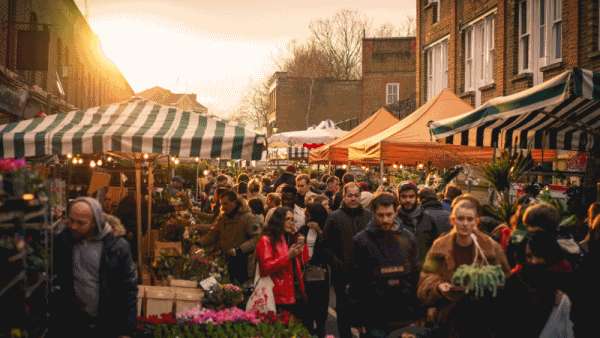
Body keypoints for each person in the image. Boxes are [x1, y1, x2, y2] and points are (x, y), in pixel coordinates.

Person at [417, 199, 510, 336]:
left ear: (476, 222)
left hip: (483, 319)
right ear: (453, 220)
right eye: (460, 219)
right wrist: (438, 285)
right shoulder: (440, 246)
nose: (465, 224)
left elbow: (506, 278)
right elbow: (426, 276)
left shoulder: (491, 247)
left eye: (469, 219)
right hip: (450, 317)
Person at [50, 197, 137, 338]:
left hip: (107, 327)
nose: (73, 226)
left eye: (80, 223)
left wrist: (126, 330)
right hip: (72, 326)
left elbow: (129, 289)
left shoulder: (117, 247)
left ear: (95, 222)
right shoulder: (64, 241)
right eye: (71, 220)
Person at [348, 193, 420, 337]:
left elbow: (416, 276)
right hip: (374, 317)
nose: (385, 219)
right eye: (381, 215)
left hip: (404, 315)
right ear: (373, 213)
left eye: (389, 214)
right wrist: (358, 317)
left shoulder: (408, 238)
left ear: (396, 212)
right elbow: (356, 282)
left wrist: (420, 312)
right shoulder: (361, 241)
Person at [322, 182, 374, 338]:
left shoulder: (369, 217)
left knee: (366, 311)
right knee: (343, 312)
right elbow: (325, 245)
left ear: (360, 197)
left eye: (356, 196)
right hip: (343, 275)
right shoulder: (334, 218)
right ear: (343, 197)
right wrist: (338, 264)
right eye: (349, 196)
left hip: (366, 276)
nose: (353, 199)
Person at [500, 230, 575, 338]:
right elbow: (506, 318)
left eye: (539, 255)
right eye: (529, 256)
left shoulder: (563, 278)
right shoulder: (516, 280)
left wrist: (564, 301)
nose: (534, 261)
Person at [255, 207, 310, 329]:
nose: (291, 223)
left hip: (296, 292)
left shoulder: (290, 237)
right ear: (278, 221)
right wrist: (287, 257)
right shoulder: (266, 240)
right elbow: (265, 268)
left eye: (293, 219)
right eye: (287, 219)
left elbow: (305, 259)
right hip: (278, 295)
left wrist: (297, 235)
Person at [191, 191, 261, 284]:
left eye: (226, 204)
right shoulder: (223, 217)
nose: (223, 207)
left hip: (242, 262)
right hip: (226, 259)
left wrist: (239, 249)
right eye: (222, 204)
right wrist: (198, 244)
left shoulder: (248, 217)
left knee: (238, 286)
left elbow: (257, 238)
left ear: (234, 203)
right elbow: (213, 234)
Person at [396, 181, 447, 266]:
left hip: (423, 271)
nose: (408, 200)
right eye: (404, 196)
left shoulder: (427, 220)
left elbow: (436, 248)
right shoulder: (394, 220)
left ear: (416, 197)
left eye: (411, 196)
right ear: (399, 198)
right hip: (400, 272)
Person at [300, 203, 330, 338]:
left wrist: (319, 230)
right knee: (306, 302)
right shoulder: (303, 228)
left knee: (320, 301)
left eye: (308, 214)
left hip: (319, 270)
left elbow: (329, 245)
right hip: (305, 268)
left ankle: (321, 329)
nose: (305, 217)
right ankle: (308, 330)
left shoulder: (326, 228)